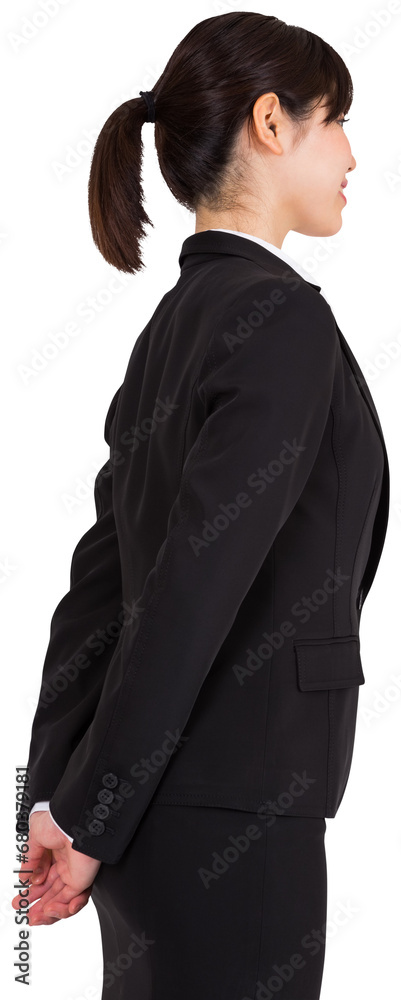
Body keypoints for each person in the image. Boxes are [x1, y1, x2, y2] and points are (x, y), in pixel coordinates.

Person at [13, 11, 390, 1000]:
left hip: (153, 819)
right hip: (234, 809)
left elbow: (98, 593)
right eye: (334, 119)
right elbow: (187, 590)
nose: (351, 153)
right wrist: (85, 813)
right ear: (270, 122)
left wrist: (59, 801)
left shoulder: (174, 327)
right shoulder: (279, 318)